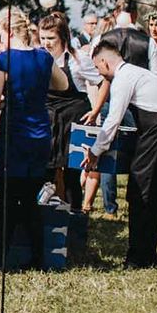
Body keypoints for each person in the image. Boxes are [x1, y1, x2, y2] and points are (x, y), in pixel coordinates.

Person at [84, 42, 157, 268]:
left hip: (156, 134)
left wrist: (96, 150)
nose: (99, 74)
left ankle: (138, 258)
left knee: (140, 195)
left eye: (98, 68)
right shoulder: (140, 72)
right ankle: (147, 255)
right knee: (152, 197)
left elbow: (113, 119)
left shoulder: (123, 79)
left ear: (104, 62)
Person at [0, 11, 68, 269]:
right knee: (32, 199)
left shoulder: (4, 60)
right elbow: (63, 84)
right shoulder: (44, 57)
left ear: (8, 32)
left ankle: (1, 257)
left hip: (14, 132)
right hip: (40, 132)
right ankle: (37, 256)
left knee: (8, 198)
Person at [38, 13, 101, 210]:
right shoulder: (39, 57)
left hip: (74, 117)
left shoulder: (78, 58)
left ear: (63, 37)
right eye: (43, 38)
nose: (46, 43)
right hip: (49, 117)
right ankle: (47, 218)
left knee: (72, 172)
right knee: (46, 169)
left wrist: (96, 111)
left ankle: (75, 216)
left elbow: (103, 81)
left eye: (51, 38)